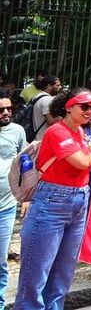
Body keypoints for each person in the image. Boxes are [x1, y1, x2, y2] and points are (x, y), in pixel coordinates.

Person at [15, 90, 91, 310]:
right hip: (52, 202)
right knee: (36, 271)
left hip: (78, 200)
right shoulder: (57, 131)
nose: (90, 112)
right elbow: (83, 162)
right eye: (84, 107)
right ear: (68, 107)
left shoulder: (80, 132)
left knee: (63, 271)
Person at [0, 89, 27, 309]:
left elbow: (24, 163)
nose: (6, 113)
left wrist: (26, 197)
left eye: (9, 108)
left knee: (0, 260)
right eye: (1, 110)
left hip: (6, 206)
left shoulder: (17, 131)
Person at [31, 74, 61, 140]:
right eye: (57, 85)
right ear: (49, 86)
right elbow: (50, 121)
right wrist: (64, 118)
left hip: (37, 136)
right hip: (43, 138)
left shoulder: (37, 96)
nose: (60, 87)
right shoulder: (47, 99)